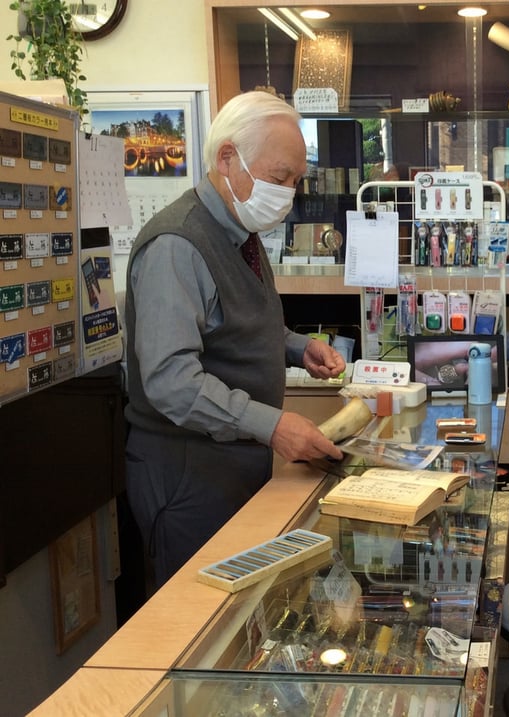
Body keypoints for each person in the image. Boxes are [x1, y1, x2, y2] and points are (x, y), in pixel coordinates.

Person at [124, 91, 346, 588]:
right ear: (228, 158)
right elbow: (171, 380)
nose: (288, 194)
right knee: (195, 616)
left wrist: (298, 348)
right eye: (279, 178)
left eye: (296, 181)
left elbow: (237, 321)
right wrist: (273, 425)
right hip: (187, 473)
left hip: (234, 465)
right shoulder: (176, 246)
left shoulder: (241, 232)